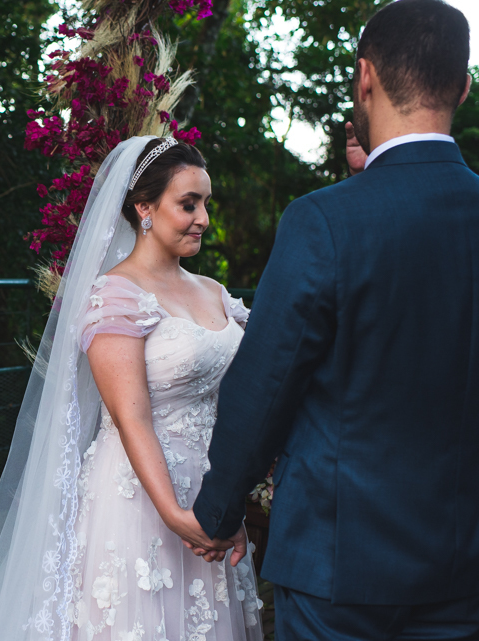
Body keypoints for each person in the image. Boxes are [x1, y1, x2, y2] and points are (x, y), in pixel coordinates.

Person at [187, 0, 479, 638]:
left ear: (365, 78)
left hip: (337, 564)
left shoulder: (323, 220)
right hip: (464, 566)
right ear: (462, 84)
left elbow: (265, 385)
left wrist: (218, 511)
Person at [0, 136, 262, 641]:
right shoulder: (114, 295)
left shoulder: (215, 292)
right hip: (140, 501)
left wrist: (225, 506)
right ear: (144, 208)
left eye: (206, 203)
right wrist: (176, 516)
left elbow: (238, 401)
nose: (203, 218)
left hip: (210, 492)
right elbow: (129, 417)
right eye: (188, 204)